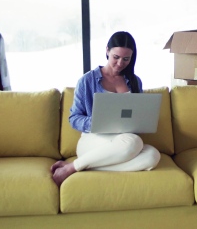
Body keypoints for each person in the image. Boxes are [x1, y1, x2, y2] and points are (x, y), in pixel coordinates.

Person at [51, 31, 161, 186]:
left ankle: (88, 165)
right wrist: (98, 122)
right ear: (107, 50)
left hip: (121, 144)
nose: (120, 63)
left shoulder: (135, 82)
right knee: (133, 142)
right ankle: (72, 167)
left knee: (152, 156)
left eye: (126, 59)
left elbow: (138, 115)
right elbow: (74, 118)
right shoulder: (87, 81)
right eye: (116, 57)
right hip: (93, 141)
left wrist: (141, 121)